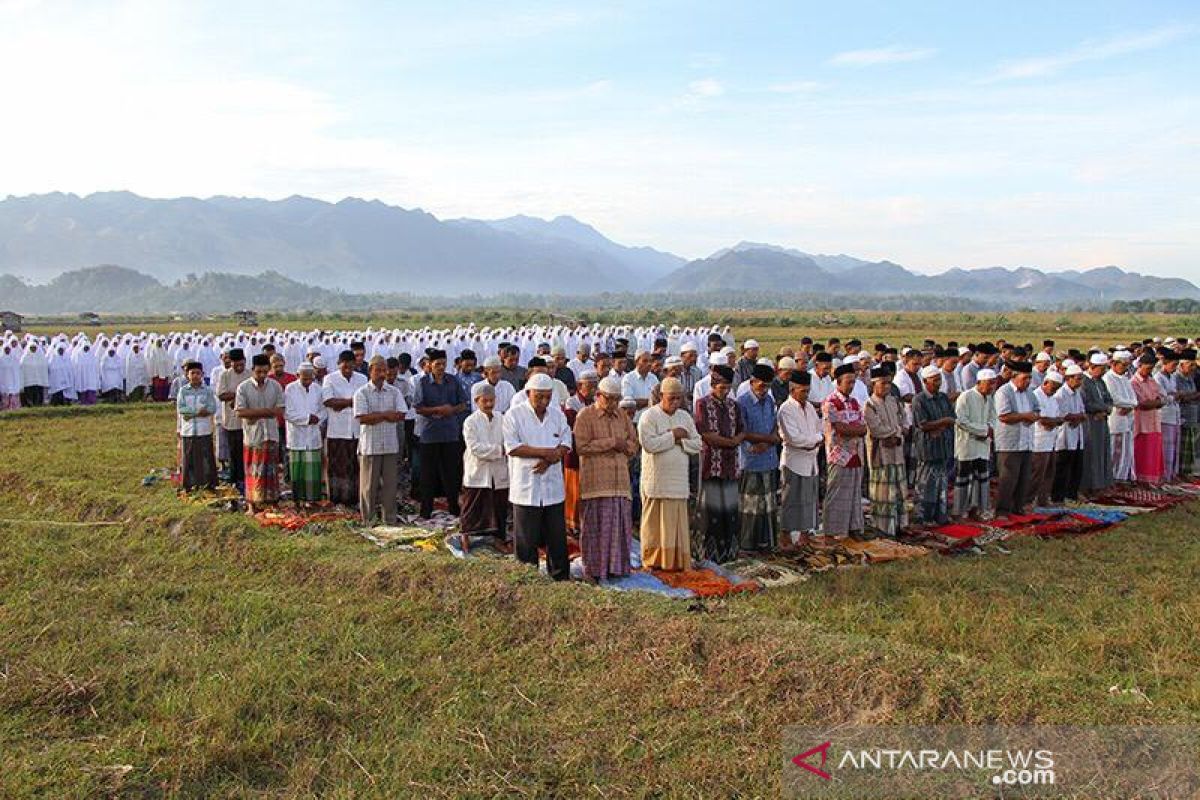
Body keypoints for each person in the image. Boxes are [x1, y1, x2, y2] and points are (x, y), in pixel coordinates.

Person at [503, 373, 573, 581]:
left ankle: (560, 579)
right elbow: (513, 448)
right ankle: (527, 580)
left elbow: (566, 441)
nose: (543, 401)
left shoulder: (557, 414)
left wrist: (552, 458)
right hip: (526, 487)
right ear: (528, 393)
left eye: (547, 397)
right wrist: (545, 453)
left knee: (557, 538)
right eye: (539, 396)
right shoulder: (514, 415)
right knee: (526, 540)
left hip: (552, 488)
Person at [573, 374, 640, 580]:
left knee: (619, 528)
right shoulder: (585, 415)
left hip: (619, 482)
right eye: (608, 398)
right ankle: (593, 570)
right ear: (598, 395)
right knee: (595, 529)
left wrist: (623, 446)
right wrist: (611, 443)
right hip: (596, 484)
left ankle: (616, 568)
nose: (612, 403)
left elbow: (633, 445)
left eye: (616, 399)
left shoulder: (622, 416)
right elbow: (581, 447)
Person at [638, 377, 701, 570]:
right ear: (661, 396)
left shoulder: (685, 417)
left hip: (678, 481)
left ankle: (676, 561)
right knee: (654, 525)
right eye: (671, 398)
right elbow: (649, 445)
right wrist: (673, 435)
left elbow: (697, 444)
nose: (675, 402)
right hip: (657, 480)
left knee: (677, 524)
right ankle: (653, 561)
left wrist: (681, 441)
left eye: (678, 399)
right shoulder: (648, 416)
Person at [694, 365, 743, 562]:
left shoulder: (734, 405)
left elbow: (742, 429)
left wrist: (736, 441)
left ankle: (729, 552)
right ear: (713, 385)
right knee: (711, 511)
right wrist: (730, 442)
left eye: (728, 388)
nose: (725, 391)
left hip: (730, 464)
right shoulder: (702, 404)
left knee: (730, 509)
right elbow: (705, 434)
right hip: (712, 464)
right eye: (721, 387)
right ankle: (709, 554)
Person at [414, 348, 469, 518]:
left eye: (443, 364)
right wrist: (437, 409)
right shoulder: (422, 383)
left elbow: (463, 404)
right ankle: (426, 510)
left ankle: (453, 507)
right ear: (429, 365)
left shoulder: (453, 381)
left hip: (450, 433)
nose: (441, 367)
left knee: (451, 473)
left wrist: (450, 410)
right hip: (429, 434)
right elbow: (418, 407)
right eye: (437, 364)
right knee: (428, 474)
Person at [354, 355, 407, 526]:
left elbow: (400, 415)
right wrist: (385, 415)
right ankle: (368, 520)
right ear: (370, 371)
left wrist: (377, 416)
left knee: (390, 487)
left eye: (384, 370)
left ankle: (389, 520)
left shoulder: (394, 391)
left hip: (390, 445)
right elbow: (362, 418)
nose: (382, 374)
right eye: (378, 370)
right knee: (369, 487)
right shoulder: (361, 392)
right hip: (370, 446)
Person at [460, 381, 510, 552]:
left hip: (498, 470)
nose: (489, 404)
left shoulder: (502, 418)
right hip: (478, 470)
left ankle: (498, 539)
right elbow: (475, 448)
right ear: (477, 401)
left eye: (491, 400)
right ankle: (466, 535)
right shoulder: (470, 421)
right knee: (472, 505)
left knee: (499, 506)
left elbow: (508, 441)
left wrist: (503, 450)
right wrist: (499, 450)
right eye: (485, 401)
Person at [737, 363, 781, 551]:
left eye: (768, 386)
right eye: (762, 385)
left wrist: (768, 442)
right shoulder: (742, 402)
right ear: (752, 382)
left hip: (769, 458)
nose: (765, 390)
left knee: (769, 505)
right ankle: (747, 544)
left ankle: (767, 542)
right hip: (751, 459)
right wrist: (766, 441)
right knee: (751, 505)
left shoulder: (770, 401)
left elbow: (774, 425)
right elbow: (742, 432)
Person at [234, 353, 285, 514]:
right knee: (253, 469)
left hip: (271, 434)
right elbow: (241, 412)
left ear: (268, 370)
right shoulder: (243, 387)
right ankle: (252, 503)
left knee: (271, 470)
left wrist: (255, 413)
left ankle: (272, 501)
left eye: (265, 371)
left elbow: (280, 410)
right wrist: (265, 412)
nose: (262, 375)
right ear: (252, 370)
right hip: (253, 436)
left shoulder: (275, 386)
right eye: (258, 372)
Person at [822, 364, 867, 539]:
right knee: (837, 494)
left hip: (855, 453)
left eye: (853, 382)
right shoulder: (831, 402)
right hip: (839, 454)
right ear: (838, 382)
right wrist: (855, 429)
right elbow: (841, 429)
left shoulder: (854, 402)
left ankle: (853, 527)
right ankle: (833, 531)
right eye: (848, 382)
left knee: (854, 492)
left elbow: (863, 427)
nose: (851, 386)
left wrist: (854, 429)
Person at [777, 369, 822, 545]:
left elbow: (818, 431)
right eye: (802, 391)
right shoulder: (786, 409)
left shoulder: (810, 407)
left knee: (809, 499)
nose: (806, 394)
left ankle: (804, 535)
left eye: (807, 390)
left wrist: (815, 440)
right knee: (791, 500)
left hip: (811, 460)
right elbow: (793, 438)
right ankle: (786, 536)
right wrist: (814, 441)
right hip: (794, 461)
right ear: (792, 389)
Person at [864, 365, 909, 536]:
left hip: (897, 452)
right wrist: (895, 432)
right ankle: (883, 528)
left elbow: (904, 420)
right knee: (883, 494)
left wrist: (900, 432)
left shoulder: (894, 401)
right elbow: (876, 429)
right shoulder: (869, 405)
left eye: (889, 383)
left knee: (899, 491)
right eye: (883, 384)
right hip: (880, 455)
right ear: (874, 385)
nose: (887, 387)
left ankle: (900, 526)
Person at [911, 365, 956, 525]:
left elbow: (952, 417)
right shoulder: (919, 399)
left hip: (943, 445)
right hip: (927, 448)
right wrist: (942, 422)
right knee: (926, 484)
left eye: (939, 379)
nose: (938, 383)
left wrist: (940, 425)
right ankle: (923, 517)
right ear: (925, 381)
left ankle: (940, 516)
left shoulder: (943, 397)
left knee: (941, 484)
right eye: (935, 380)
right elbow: (922, 424)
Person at [322, 350, 368, 506]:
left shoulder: (362, 379)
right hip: (337, 430)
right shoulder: (330, 379)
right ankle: (336, 499)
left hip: (356, 430)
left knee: (355, 466)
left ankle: (354, 498)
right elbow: (329, 401)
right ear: (338, 364)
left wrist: (342, 403)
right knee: (337, 466)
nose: (348, 368)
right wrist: (352, 402)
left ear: (355, 364)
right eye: (344, 366)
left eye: (351, 365)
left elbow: (364, 401)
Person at [993, 360, 1037, 516]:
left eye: (1030, 378)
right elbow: (1004, 416)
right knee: (1008, 478)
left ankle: (1018, 507)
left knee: (1024, 477)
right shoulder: (1003, 392)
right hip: (1009, 442)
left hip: (1026, 440)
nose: (1028, 381)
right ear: (1014, 376)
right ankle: (1002, 510)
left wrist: (1033, 416)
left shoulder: (1030, 393)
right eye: (1025, 378)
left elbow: (1037, 410)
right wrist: (1025, 416)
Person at [952, 369, 997, 520]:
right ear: (979, 383)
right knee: (964, 477)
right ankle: (960, 510)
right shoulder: (966, 396)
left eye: (993, 383)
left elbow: (993, 417)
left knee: (982, 477)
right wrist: (983, 430)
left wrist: (990, 428)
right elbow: (961, 421)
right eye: (989, 384)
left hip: (983, 444)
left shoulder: (989, 398)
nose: (991, 387)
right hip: (967, 444)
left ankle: (979, 509)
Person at [284, 362, 326, 508]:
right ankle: (298, 500)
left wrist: (317, 418)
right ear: (297, 376)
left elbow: (323, 410)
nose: (308, 382)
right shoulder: (290, 389)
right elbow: (288, 413)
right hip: (297, 435)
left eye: (310, 379)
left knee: (313, 469)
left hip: (313, 434)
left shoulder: (318, 389)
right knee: (298, 469)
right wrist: (307, 418)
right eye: (304, 379)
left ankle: (312, 499)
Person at [176, 361, 218, 491]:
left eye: (198, 373)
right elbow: (182, 409)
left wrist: (193, 414)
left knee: (205, 457)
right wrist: (197, 413)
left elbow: (212, 407)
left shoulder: (207, 391)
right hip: (188, 430)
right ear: (187, 375)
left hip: (204, 430)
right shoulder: (183, 391)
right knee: (189, 457)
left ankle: (207, 484)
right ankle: (189, 484)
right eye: (192, 373)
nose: (195, 376)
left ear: (202, 375)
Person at [216, 349, 251, 491]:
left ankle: (246, 478)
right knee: (233, 451)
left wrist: (239, 397)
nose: (239, 367)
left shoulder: (249, 374)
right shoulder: (225, 375)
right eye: (236, 364)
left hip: (248, 420)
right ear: (231, 363)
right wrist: (238, 395)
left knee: (246, 450)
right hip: (231, 420)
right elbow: (221, 395)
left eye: (241, 364)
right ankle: (235, 479)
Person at [1051, 365, 1087, 503]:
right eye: (1077, 379)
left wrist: (1077, 417)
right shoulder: (1061, 394)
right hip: (1064, 435)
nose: (1079, 382)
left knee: (1077, 467)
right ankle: (1058, 497)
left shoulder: (1077, 393)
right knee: (1062, 468)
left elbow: (1082, 413)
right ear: (1068, 379)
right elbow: (1063, 415)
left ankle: (1072, 494)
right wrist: (1076, 417)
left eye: (1081, 379)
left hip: (1077, 433)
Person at [1030, 370, 1064, 508]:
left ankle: (1043, 499)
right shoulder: (1036, 396)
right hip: (1039, 440)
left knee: (1049, 471)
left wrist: (1055, 421)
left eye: (1057, 388)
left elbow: (1057, 417)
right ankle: (1030, 500)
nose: (1054, 391)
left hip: (1052, 439)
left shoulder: (1053, 398)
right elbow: (1042, 419)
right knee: (1037, 472)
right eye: (1053, 387)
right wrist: (1055, 421)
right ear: (1045, 383)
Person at [1131, 352, 1165, 484]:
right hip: (1141, 423)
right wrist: (1156, 403)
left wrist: (1155, 403)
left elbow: (1161, 398)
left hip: (1154, 421)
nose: (1149, 371)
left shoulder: (1151, 381)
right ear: (1139, 366)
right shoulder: (1134, 382)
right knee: (1143, 452)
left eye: (1151, 368)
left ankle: (1152, 480)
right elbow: (1142, 404)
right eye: (1147, 368)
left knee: (1153, 453)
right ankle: (1141, 480)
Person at [1105, 351, 1137, 482]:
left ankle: (1122, 478)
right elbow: (1115, 399)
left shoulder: (1125, 379)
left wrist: (1130, 406)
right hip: (1115, 420)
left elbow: (1134, 399)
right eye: (1123, 365)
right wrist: (1131, 404)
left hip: (1127, 419)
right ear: (1114, 364)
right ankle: (1112, 479)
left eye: (1127, 365)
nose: (1125, 368)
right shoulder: (1108, 378)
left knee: (1125, 452)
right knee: (1114, 452)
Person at [1155, 350, 1181, 480]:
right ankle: (1163, 475)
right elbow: (1164, 396)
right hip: (1164, 416)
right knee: (1165, 448)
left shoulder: (1173, 376)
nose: (1175, 368)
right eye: (1173, 364)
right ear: (1165, 363)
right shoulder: (1158, 377)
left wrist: (1174, 396)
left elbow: (1173, 393)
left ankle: (1171, 475)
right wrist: (1173, 396)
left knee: (1174, 447)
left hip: (1174, 414)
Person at [1177, 350, 1200, 477]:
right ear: (1182, 365)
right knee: (1182, 447)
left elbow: (1190, 394)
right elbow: (1182, 397)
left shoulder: (1190, 377)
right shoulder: (1177, 377)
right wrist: (1194, 395)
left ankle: (1188, 472)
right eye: (1190, 365)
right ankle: (1181, 473)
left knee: (1190, 447)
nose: (1193, 368)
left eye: (1193, 365)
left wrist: (1192, 395)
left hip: (1192, 416)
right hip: (1182, 416)